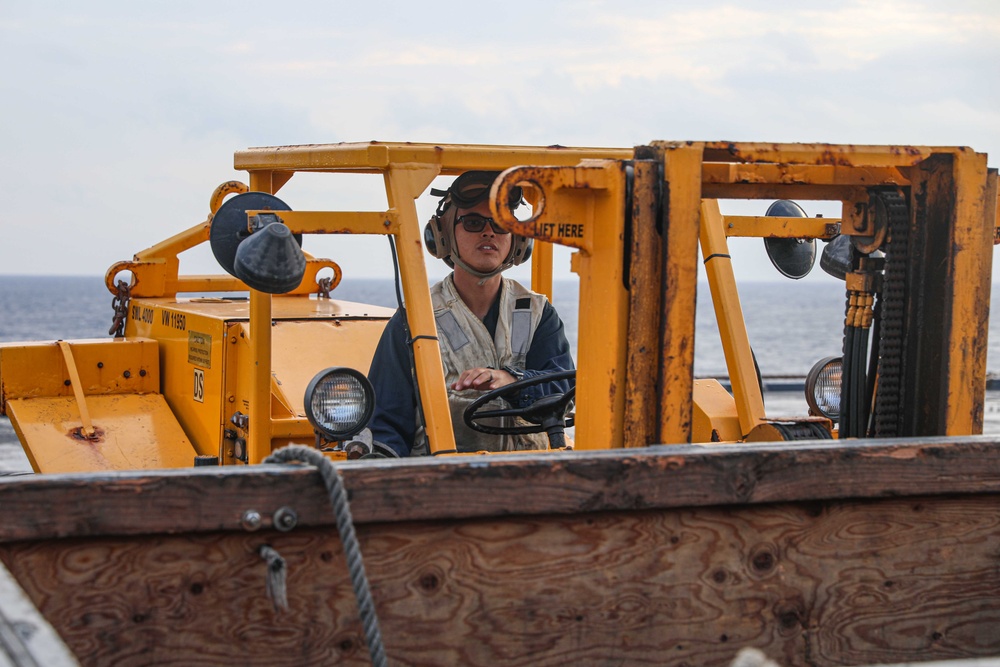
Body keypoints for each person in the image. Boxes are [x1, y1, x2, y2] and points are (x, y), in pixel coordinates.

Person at [367, 170, 575, 456]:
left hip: (531, 482)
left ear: (517, 240)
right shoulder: (415, 318)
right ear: (443, 234)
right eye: (474, 222)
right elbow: (386, 424)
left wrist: (511, 381)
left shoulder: (537, 313)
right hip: (443, 486)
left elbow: (563, 387)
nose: (488, 232)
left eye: (501, 223)